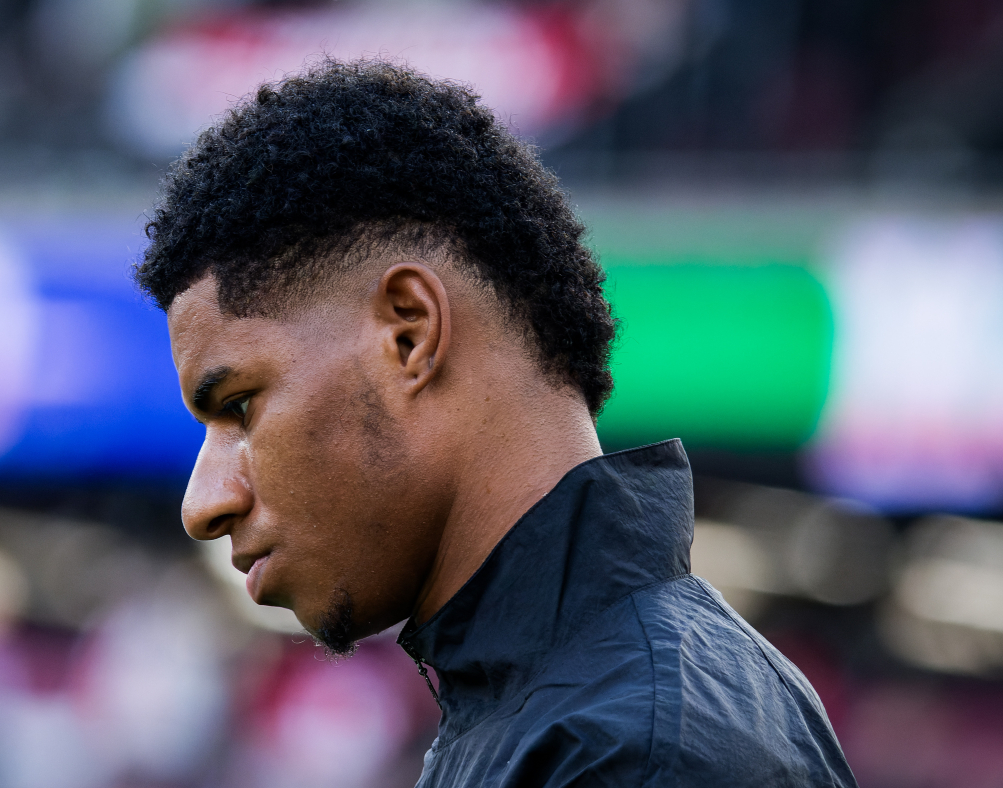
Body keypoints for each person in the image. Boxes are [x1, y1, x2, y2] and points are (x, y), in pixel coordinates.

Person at [135, 58, 857, 787]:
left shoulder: (635, 753)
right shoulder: (560, 713)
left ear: (409, 334)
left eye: (239, 407)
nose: (203, 504)